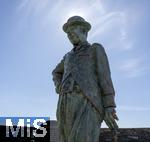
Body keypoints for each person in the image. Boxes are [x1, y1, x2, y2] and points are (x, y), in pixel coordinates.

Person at [52, 16, 119, 142]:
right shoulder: (67, 56)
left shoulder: (95, 49)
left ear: (84, 30)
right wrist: (58, 86)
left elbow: (105, 79)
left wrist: (109, 106)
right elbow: (56, 72)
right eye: (67, 32)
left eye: (73, 28)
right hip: (65, 103)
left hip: (87, 102)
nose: (69, 34)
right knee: (65, 138)